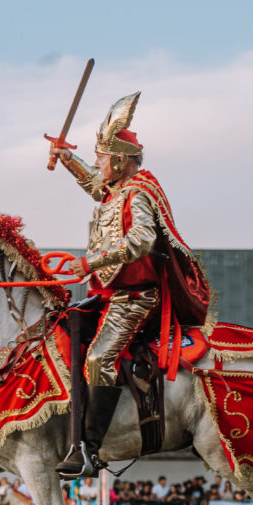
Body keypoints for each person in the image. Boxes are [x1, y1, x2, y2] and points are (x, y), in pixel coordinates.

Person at [50, 92, 211, 478]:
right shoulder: (117, 189)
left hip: (135, 297)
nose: (97, 165)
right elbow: (94, 185)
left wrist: (89, 262)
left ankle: (88, 449)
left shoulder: (137, 193)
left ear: (120, 161)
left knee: (98, 358)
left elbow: (140, 240)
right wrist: (67, 158)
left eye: (102, 158)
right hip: (108, 294)